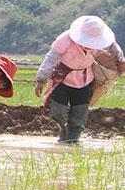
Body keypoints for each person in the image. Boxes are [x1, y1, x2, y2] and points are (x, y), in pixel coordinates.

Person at [35, 16, 124, 144]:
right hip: (63, 79)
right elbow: (51, 58)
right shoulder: (65, 39)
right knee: (58, 111)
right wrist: (41, 79)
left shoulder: (100, 42)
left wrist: (120, 61)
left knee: (80, 113)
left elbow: (115, 50)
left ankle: (73, 139)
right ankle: (63, 128)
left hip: (84, 80)